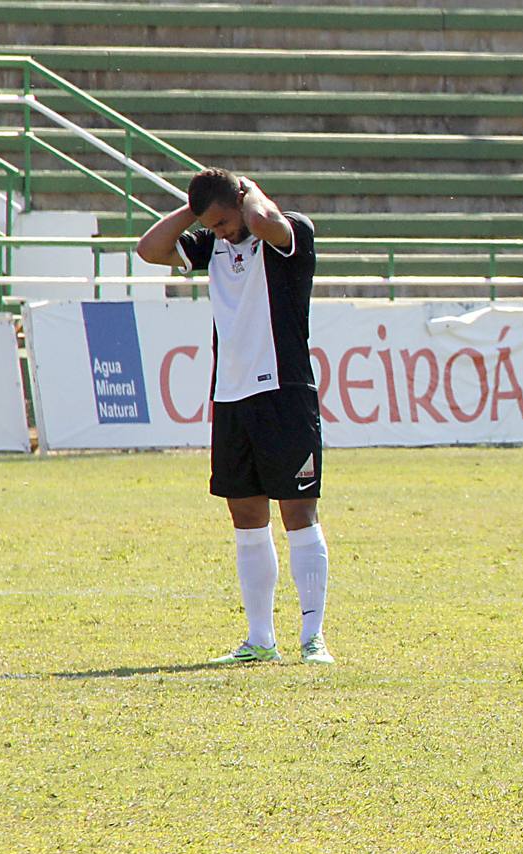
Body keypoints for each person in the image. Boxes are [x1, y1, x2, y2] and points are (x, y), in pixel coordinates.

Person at [135, 168, 333, 665]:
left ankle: (313, 639)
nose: (219, 233)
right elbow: (149, 248)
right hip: (231, 396)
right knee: (246, 517)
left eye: (223, 222)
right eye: (213, 225)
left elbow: (265, 220)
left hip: (284, 395)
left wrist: (245, 195)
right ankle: (260, 639)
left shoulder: (290, 232)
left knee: (297, 512)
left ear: (242, 203)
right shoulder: (211, 243)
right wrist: (198, 210)